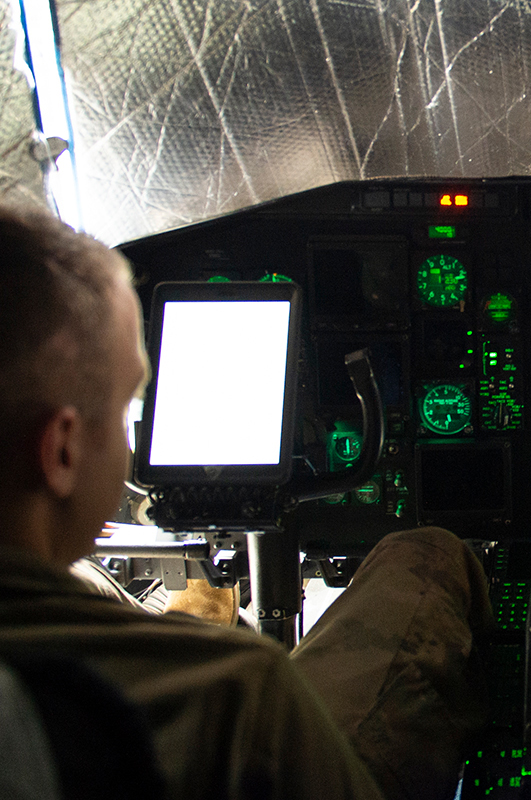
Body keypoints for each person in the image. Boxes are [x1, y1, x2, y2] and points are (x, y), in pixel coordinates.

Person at [0, 204, 492, 799]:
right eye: (126, 404)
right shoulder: (235, 696)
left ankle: (208, 602)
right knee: (428, 554)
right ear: (62, 453)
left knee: (99, 583)